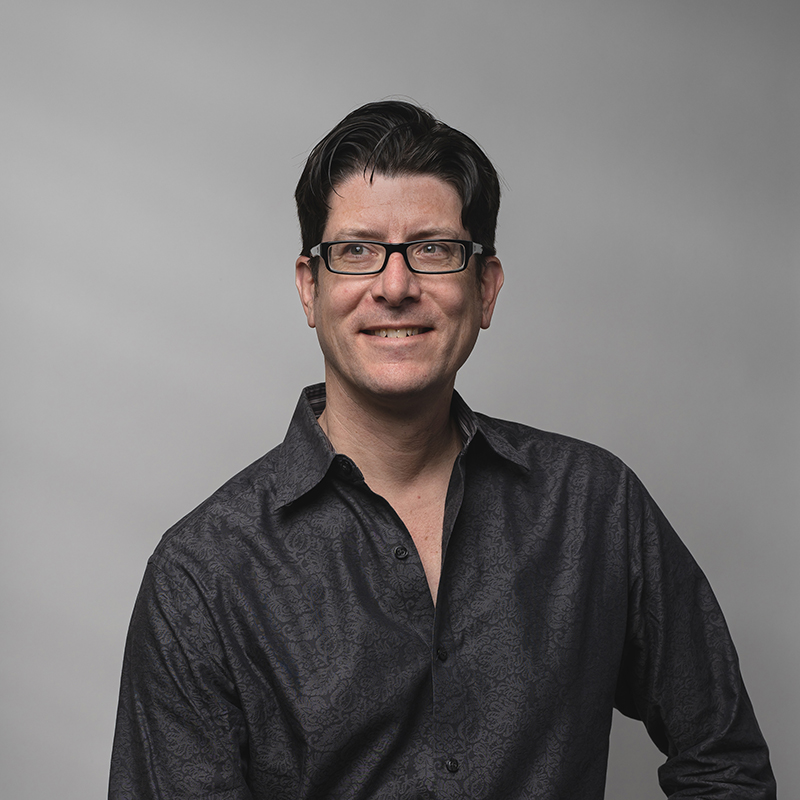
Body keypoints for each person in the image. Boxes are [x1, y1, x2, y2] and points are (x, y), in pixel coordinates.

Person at [109, 100, 776, 799]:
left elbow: (725, 765)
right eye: (357, 251)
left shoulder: (594, 506)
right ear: (311, 288)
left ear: (484, 289)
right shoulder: (203, 573)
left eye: (433, 249)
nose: (395, 287)